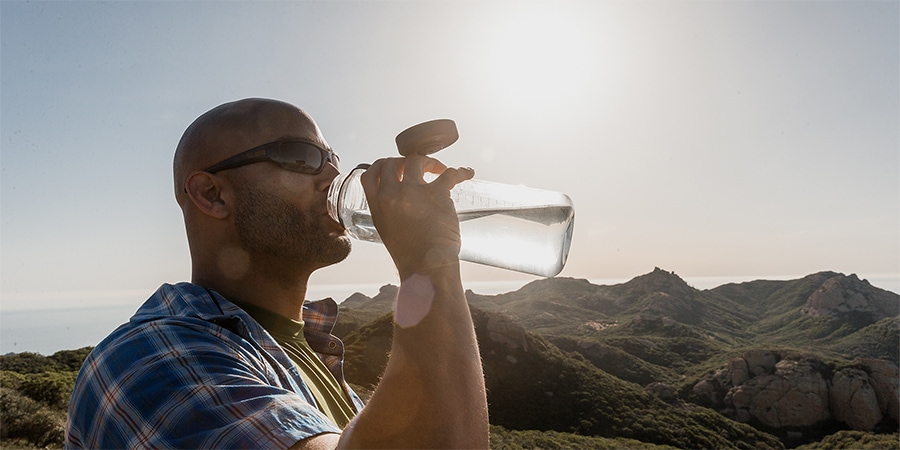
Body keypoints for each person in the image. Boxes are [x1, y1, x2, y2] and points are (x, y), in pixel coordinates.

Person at [65, 98, 490, 449]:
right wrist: (428, 260)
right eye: (301, 157)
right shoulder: (147, 361)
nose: (333, 177)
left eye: (331, 160)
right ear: (212, 194)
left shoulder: (306, 347)